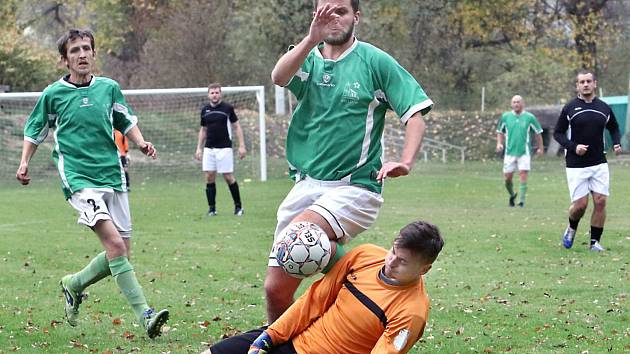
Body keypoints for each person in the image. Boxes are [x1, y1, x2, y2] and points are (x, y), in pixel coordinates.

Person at [266, 0, 433, 322]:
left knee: (303, 233)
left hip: (356, 186)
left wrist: (406, 161)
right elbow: (278, 76)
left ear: (356, 16)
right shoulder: (306, 56)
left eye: (340, 11)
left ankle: (375, 283)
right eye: (324, 12)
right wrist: (311, 38)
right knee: (276, 290)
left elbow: (415, 114)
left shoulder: (375, 61)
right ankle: (282, 341)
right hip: (306, 183)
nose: (333, 19)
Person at [15, 29, 169, 337]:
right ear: (65, 59)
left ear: (94, 54)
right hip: (78, 177)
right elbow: (35, 130)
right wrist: (24, 161)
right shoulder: (53, 94)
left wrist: (140, 142)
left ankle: (74, 284)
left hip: (112, 174)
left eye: (87, 48)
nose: (82, 54)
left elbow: (125, 119)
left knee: (122, 250)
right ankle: (145, 315)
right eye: (75, 50)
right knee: (113, 244)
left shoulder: (109, 88)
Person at [202, 220, 444, 354]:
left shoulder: (412, 312)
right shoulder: (365, 255)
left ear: (424, 269)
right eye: (393, 251)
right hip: (293, 337)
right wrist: (269, 337)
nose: (390, 261)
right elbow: (314, 299)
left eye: (402, 261)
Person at [553, 69, 622, 252]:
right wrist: (574, 147)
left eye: (588, 81)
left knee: (600, 201)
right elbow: (557, 133)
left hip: (599, 162)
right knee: (580, 206)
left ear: (594, 84)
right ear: (577, 85)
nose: (585, 84)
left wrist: (616, 143)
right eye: (582, 82)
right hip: (576, 165)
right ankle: (571, 228)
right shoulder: (569, 108)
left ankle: (594, 243)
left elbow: (614, 127)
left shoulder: (604, 108)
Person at [195, 83, 246, 216]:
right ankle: (212, 209)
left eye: (217, 92)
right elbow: (203, 130)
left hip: (224, 148)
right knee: (209, 177)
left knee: (228, 177)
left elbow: (237, 127)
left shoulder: (228, 108)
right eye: (212, 93)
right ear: (208, 95)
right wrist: (198, 148)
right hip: (209, 149)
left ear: (220, 94)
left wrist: (241, 145)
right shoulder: (204, 110)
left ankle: (238, 207)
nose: (214, 95)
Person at [495, 95, 544, 207]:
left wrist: (540, 148)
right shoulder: (506, 117)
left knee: (523, 174)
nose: (516, 104)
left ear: (523, 103)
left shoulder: (529, 117)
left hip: (524, 152)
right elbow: (500, 131)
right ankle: (512, 195)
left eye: (518, 102)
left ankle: (521, 201)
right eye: (514, 102)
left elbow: (538, 132)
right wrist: (499, 143)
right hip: (509, 152)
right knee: (507, 178)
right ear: (511, 104)